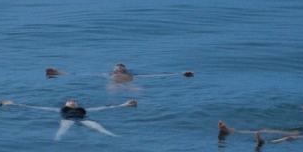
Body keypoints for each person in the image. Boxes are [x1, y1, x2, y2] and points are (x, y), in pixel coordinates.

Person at [0, 98, 137, 140]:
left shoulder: (84, 110)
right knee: (63, 127)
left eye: (74, 101)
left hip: (83, 119)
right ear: (65, 104)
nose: (72, 102)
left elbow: (104, 108)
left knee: (97, 126)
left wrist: (124, 105)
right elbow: (36, 107)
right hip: (68, 119)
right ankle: (57, 138)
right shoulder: (60, 110)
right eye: (70, 101)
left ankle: (113, 135)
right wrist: (14, 104)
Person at [44, 63, 194, 82]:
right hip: (126, 83)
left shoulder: (111, 75)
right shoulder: (110, 75)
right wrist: (58, 72)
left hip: (121, 83)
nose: (119, 67)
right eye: (118, 66)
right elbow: (78, 76)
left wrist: (180, 74)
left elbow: (156, 75)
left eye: (121, 67)